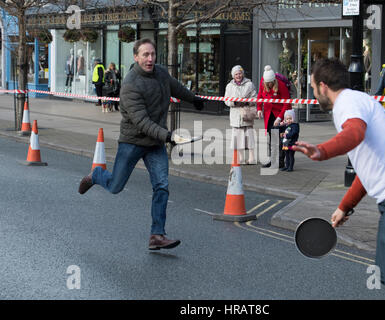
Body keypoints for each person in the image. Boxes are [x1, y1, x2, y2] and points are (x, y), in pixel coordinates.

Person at [292, 58, 385, 300]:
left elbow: (354, 133)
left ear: (323, 86)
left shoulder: (347, 103)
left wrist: (322, 151)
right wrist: (345, 206)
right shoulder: (356, 101)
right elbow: (367, 168)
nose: (313, 92)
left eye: (312, 87)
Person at [78, 38, 207, 250]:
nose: (150, 58)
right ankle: (96, 175)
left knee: (162, 186)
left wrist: (193, 98)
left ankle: (157, 235)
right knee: (115, 186)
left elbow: (175, 87)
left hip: (155, 142)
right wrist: (167, 136)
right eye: (145, 55)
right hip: (133, 141)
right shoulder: (130, 85)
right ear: (136, 57)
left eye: (153, 54)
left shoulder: (161, 73)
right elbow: (142, 122)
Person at [257, 65, 291, 168]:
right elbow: (260, 96)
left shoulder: (281, 85)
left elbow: (287, 103)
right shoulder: (263, 82)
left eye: (270, 83)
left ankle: (280, 161)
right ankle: (272, 160)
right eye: (267, 84)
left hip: (280, 113)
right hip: (269, 114)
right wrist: (259, 109)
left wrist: (280, 118)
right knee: (272, 138)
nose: (269, 85)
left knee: (280, 139)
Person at [224, 65, 257, 165]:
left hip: (246, 114)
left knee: (249, 137)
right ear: (233, 75)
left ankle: (252, 158)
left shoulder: (249, 84)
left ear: (243, 74)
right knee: (237, 139)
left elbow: (255, 98)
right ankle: (241, 158)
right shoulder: (229, 86)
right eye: (236, 74)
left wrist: (247, 102)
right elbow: (226, 100)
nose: (238, 75)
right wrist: (233, 103)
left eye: (240, 73)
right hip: (235, 115)